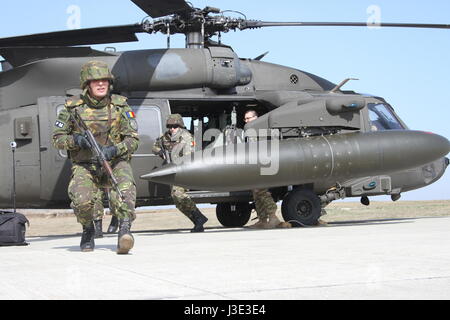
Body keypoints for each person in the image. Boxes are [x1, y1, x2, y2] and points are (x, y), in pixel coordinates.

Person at [52, 60, 139, 254]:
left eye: (104, 81)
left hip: (114, 162)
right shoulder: (72, 108)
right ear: (87, 84)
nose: (101, 84)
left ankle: (124, 231)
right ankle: (88, 229)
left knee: (125, 191)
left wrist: (114, 151)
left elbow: (133, 139)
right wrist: (77, 141)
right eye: (95, 81)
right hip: (85, 164)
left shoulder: (120, 106)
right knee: (81, 199)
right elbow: (57, 139)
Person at [152, 114, 208, 232]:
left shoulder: (186, 137)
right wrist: (161, 152)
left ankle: (199, 217)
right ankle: (198, 220)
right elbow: (154, 147)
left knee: (177, 194)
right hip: (173, 170)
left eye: (175, 126)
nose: (172, 128)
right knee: (177, 200)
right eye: (170, 126)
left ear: (180, 126)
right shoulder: (165, 137)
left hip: (185, 170)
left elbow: (189, 156)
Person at [244, 110, 289, 229]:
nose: (247, 121)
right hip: (254, 166)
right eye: (245, 119)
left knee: (262, 191)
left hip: (262, 166)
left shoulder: (261, 131)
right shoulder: (251, 132)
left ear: (256, 117)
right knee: (256, 192)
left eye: (249, 118)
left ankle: (273, 218)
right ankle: (262, 220)